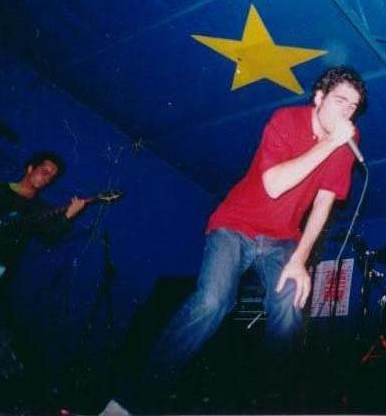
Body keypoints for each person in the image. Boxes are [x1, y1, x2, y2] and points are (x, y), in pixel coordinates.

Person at [101, 66, 367, 416]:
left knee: (290, 307)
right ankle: (132, 399)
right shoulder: (286, 120)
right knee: (213, 301)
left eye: (353, 107)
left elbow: (324, 202)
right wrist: (330, 143)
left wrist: (300, 260)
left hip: (283, 237)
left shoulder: (346, 143)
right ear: (319, 97)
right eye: (340, 101)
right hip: (235, 224)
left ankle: (271, 404)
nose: (347, 113)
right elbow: (274, 186)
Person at [0, 152, 86, 402]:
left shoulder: (40, 209)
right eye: (45, 171)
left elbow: (49, 237)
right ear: (30, 168)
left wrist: (69, 216)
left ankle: (14, 391)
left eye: (52, 176)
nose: (47, 178)